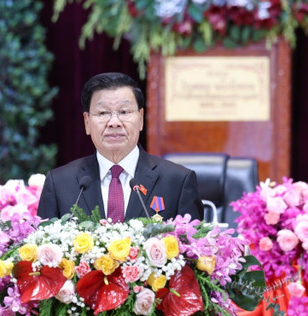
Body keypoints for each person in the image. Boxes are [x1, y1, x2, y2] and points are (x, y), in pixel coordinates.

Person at [37, 72, 202, 222]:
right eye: (102, 113)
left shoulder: (177, 181)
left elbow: (192, 250)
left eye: (124, 112)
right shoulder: (59, 183)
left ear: (141, 118)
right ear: (87, 122)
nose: (114, 122)